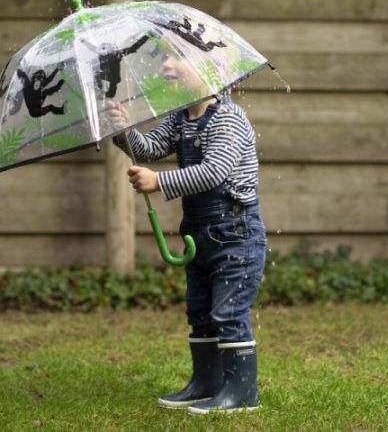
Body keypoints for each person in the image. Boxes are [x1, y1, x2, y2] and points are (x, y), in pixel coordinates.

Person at [107, 50, 268, 415]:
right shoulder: (181, 119)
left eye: (176, 58)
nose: (164, 65)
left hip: (236, 234)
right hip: (199, 233)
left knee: (228, 312)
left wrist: (158, 181)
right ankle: (207, 382)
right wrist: (124, 131)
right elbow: (147, 148)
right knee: (200, 310)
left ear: (212, 70)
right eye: (163, 57)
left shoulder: (228, 118)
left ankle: (242, 391)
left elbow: (214, 172)